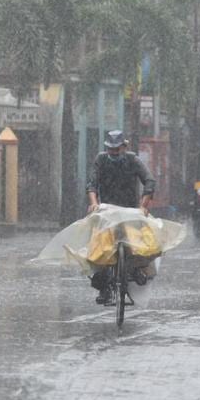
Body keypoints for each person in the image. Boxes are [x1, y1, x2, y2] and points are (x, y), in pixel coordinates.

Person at [85, 130, 156, 304]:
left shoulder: (133, 160)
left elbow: (149, 180)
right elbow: (92, 185)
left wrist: (143, 205)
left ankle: (137, 269)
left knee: (142, 244)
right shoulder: (101, 160)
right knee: (100, 249)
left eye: (117, 149)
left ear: (124, 147)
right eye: (111, 149)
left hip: (130, 211)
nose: (114, 153)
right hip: (107, 211)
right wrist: (94, 203)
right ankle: (104, 287)